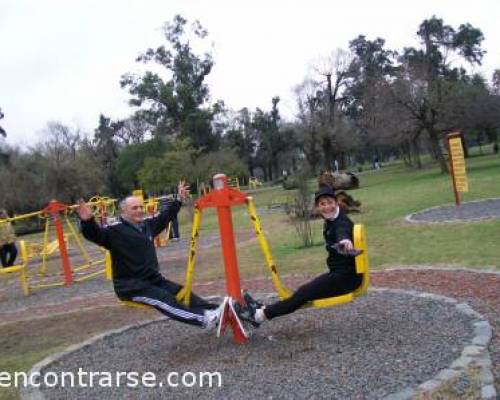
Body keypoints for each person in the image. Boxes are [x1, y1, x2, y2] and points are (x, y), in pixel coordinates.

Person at [76, 182, 222, 330]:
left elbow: (165, 217)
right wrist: (87, 222)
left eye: (141, 207)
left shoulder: (147, 226)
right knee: (165, 300)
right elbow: (96, 234)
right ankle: (204, 318)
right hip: (132, 286)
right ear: (124, 212)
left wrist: (178, 199)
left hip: (153, 279)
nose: (140, 210)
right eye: (135, 208)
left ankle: (217, 310)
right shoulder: (115, 231)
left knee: (183, 293)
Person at [243, 186, 362, 325]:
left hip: (345, 279)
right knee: (304, 293)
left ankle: (259, 315)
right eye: (322, 204)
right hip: (340, 275)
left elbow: (343, 231)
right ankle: (263, 310)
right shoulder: (333, 220)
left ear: (336, 203)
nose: (327, 207)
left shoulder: (341, 222)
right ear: (317, 207)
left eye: (330, 202)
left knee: (304, 293)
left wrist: (345, 241)